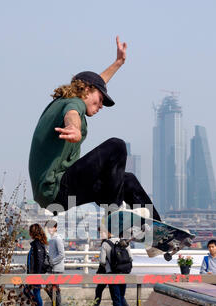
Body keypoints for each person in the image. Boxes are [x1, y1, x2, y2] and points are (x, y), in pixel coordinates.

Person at [29, 36, 161, 225]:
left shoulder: (71, 98)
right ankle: (113, 214)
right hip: (56, 187)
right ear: (85, 89)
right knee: (116, 146)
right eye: (100, 100)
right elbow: (72, 113)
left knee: (127, 181)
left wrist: (118, 63)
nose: (101, 106)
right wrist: (74, 128)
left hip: (57, 194)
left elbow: (97, 84)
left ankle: (157, 232)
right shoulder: (72, 103)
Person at [98, 231, 132, 306]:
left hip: (112, 273)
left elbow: (102, 261)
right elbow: (131, 258)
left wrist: (107, 265)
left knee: (116, 298)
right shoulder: (124, 242)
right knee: (121, 296)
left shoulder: (105, 244)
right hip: (124, 273)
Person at [24, 224, 48, 306]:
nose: (29, 233)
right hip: (34, 273)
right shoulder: (37, 244)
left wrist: (37, 275)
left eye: (30, 231)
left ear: (33, 233)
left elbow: (39, 260)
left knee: (34, 292)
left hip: (36, 274)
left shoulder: (37, 244)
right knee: (31, 291)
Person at [44, 219, 65, 306]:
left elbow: (62, 254)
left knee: (55, 288)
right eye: (48, 227)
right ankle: (56, 305)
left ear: (55, 228)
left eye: (51, 227)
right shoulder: (51, 239)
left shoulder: (57, 239)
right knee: (50, 288)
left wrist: (52, 262)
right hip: (52, 268)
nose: (49, 229)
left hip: (57, 268)